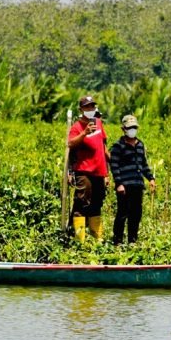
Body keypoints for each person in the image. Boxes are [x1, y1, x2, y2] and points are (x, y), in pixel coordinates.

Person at [109, 115, 156, 244]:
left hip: (137, 184)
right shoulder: (118, 146)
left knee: (136, 214)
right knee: (122, 213)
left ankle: (132, 241)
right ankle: (117, 241)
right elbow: (114, 165)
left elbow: (143, 164)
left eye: (134, 127)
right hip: (124, 185)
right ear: (123, 129)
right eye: (129, 128)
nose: (132, 130)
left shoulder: (140, 144)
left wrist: (150, 178)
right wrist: (119, 183)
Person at [68, 95, 109, 242]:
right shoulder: (77, 127)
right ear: (81, 109)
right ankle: (79, 241)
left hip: (99, 171)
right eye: (87, 107)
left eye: (92, 106)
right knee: (82, 203)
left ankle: (97, 240)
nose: (90, 109)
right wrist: (84, 133)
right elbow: (70, 144)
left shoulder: (98, 123)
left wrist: (107, 173)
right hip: (84, 171)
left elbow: (103, 147)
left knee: (97, 203)